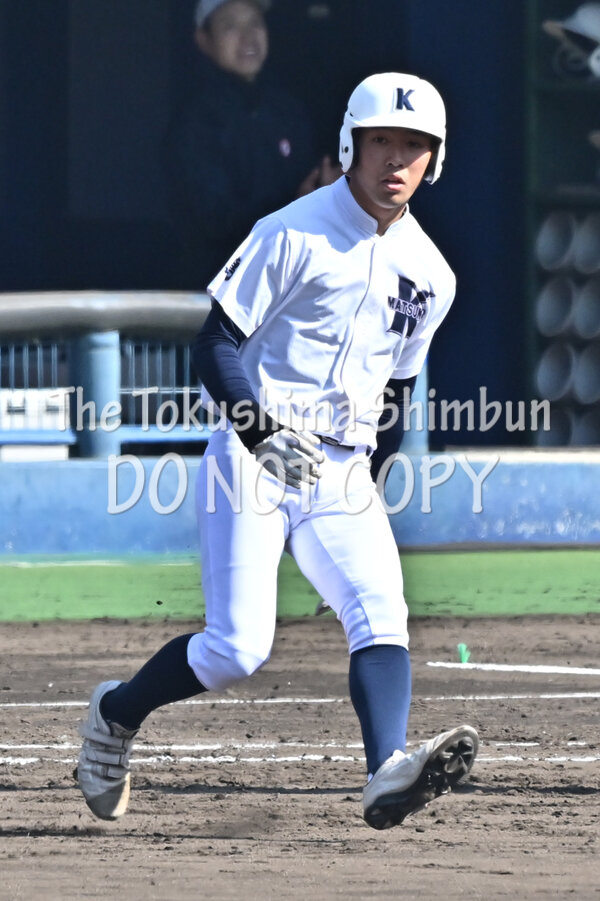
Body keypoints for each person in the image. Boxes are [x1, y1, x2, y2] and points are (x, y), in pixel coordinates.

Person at [77, 72, 480, 831]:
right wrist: (261, 433)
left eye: (415, 145)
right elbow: (215, 343)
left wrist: (370, 480)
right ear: (350, 145)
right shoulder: (291, 230)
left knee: (381, 613)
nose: (397, 159)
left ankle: (386, 771)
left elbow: (396, 392)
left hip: (342, 469)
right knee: (236, 649)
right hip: (253, 453)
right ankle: (116, 714)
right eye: (381, 140)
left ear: (436, 158)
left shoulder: (433, 274)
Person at [163, 0, 340, 289]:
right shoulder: (194, 121)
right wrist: (296, 205)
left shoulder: (287, 110)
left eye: (255, 22)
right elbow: (212, 220)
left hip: (289, 287)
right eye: (230, 26)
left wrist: (328, 193)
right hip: (218, 292)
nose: (247, 36)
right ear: (204, 40)